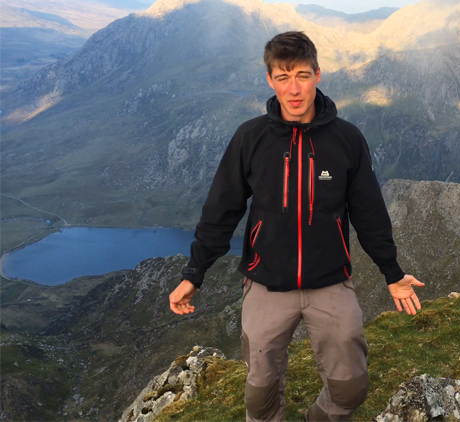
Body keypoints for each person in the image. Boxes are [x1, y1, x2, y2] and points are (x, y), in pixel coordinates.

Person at [168, 31, 425, 422]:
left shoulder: (346, 139)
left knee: (350, 389)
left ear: (317, 75)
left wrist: (392, 272)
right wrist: (194, 273)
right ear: (270, 80)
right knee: (259, 398)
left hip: (330, 281)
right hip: (266, 283)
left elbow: (369, 213)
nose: (293, 89)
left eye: (302, 76)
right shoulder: (251, 137)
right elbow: (221, 209)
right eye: (283, 77)